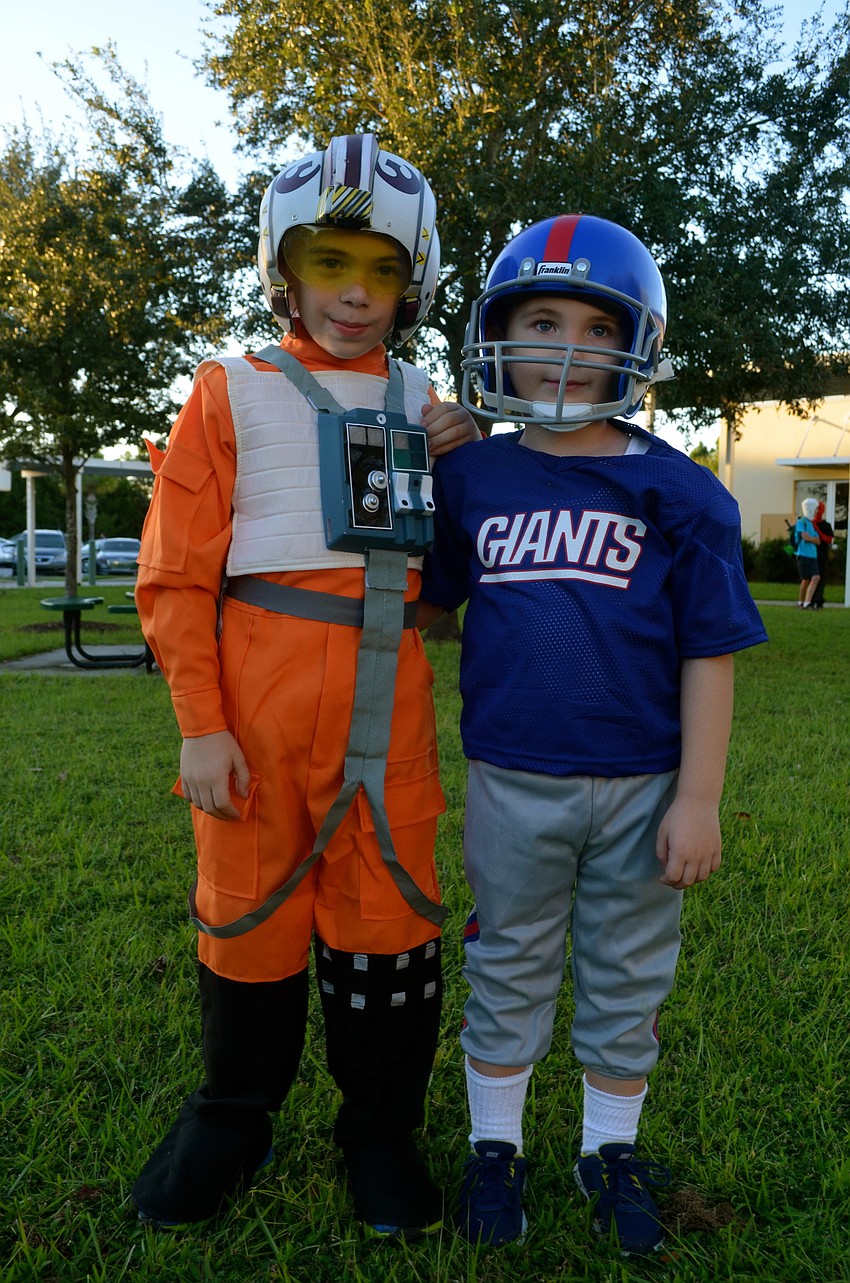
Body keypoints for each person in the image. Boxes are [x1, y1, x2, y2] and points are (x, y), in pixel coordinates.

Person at [131, 134, 479, 1239]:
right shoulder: (227, 391)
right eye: (331, 264)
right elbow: (176, 573)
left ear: (412, 279)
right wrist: (200, 724)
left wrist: (455, 462)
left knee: (391, 918)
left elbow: (452, 584)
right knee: (248, 919)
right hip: (258, 710)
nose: (356, 294)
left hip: (393, 713)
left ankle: (379, 1133)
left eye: (381, 270)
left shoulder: (435, 407)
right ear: (285, 270)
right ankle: (231, 1119)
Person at [417, 214, 768, 1255]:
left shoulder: (682, 491)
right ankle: (496, 1145)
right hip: (510, 775)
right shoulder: (471, 479)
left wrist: (698, 796)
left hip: (643, 782)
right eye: (538, 319)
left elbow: (709, 649)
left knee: (626, 969)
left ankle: (606, 1145)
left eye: (591, 325)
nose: (564, 346)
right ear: (496, 334)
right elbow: (430, 609)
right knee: (509, 959)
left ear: (635, 348)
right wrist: (412, 454)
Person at [794, 497, 821, 609]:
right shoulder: (801, 522)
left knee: (816, 577)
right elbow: (804, 537)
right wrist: (812, 538)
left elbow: (818, 541)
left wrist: (811, 538)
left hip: (813, 555)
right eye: (815, 509)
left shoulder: (812, 524)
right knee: (805, 580)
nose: (816, 511)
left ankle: (807, 602)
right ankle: (801, 601)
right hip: (803, 555)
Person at [810, 500, 833, 609]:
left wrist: (818, 532)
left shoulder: (826, 525)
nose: (816, 511)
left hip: (822, 555)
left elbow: (829, 539)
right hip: (810, 554)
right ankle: (810, 599)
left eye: (818, 509)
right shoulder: (809, 523)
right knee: (811, 577)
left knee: (821, 577)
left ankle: (818, 600)